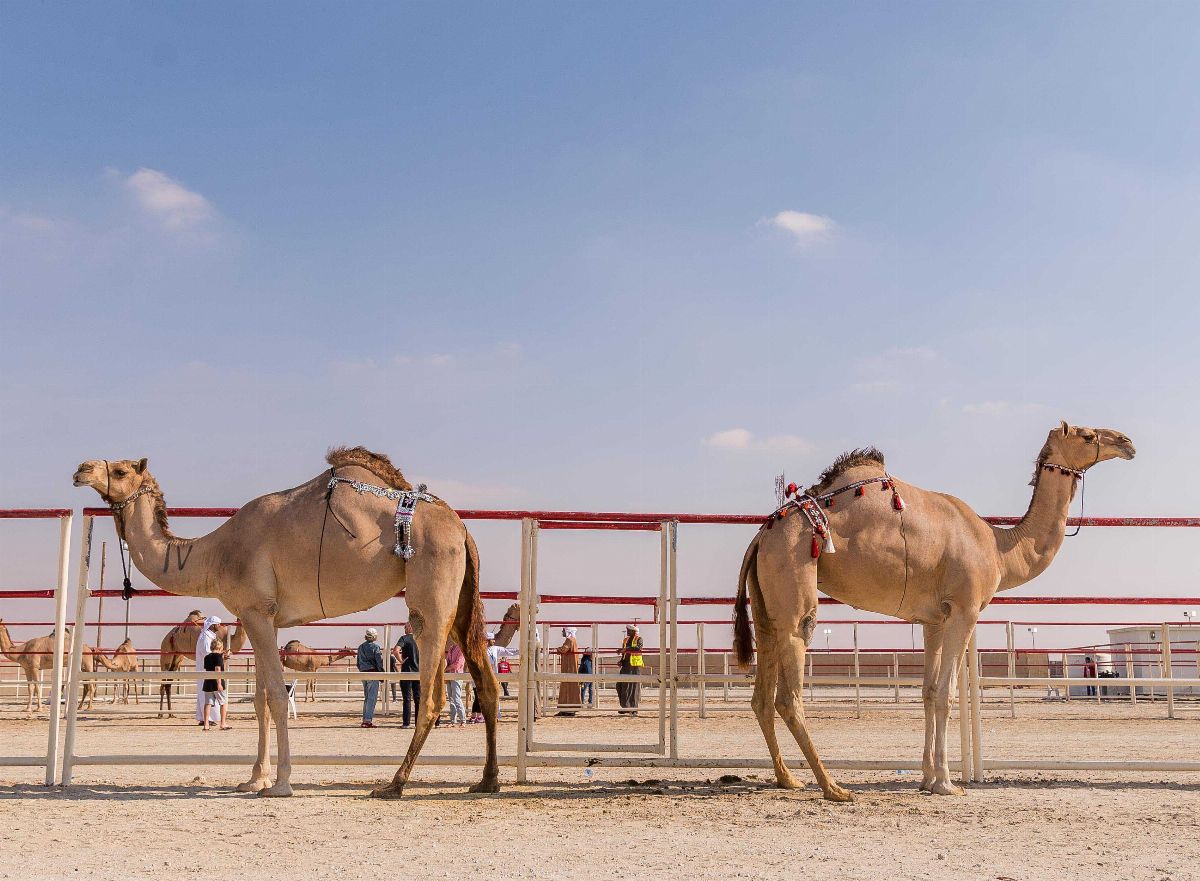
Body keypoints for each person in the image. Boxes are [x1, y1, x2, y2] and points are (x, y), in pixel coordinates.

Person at [472, 632, 519, 723]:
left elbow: (508, 651)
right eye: (492, 639)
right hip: (482, 678)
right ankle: (482, 716)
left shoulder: (495, 649)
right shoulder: (479, 651)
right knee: (482, 697)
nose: (494, 641)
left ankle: (495, 715)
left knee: (494, 696)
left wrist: (520, 650)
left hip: (493, 678)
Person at [194, 615, 222, 727]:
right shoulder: (205, 638)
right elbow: (207, 652)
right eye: (218, 624)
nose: (219, 626)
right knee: (206, 693)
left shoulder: (209, 636)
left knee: (205, 693)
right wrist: (220, 656)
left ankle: (204, 718)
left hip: (207, 668)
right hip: (206, 668)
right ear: (213, 625)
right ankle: (208, 718)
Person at [392, 622, 420, 728]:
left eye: (405, 627)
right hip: (419, 672)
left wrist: (401, 661)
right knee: (418, 699)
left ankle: (406, 723)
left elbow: (395, 651)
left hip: (406, 672)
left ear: (409, 628)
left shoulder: (404, 638)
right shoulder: (420, 639)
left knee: (407, 698)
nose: (404, 629)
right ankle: (418, 723)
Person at [356, 627, 385, 728]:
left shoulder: (360, 647)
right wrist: (382, 674)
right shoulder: (375, 647)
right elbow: (378, 662)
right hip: (373, 673)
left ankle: (365, 719)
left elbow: (358, 663)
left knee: (367, 698)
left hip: (363, 674)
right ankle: (367, 721)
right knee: (372, 698)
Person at [201, 637, 230, 731]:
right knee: (223, 702)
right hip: (217, 682)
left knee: (208, 703)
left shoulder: (207, 657)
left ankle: (206, 724)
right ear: (220, 646)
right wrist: (219, 683)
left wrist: (222, 658)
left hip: (208, 682)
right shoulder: (218, 657)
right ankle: (223, 723)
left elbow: (209, 667)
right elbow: (217, 669)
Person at [617, 624, 643, 715]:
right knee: (620, 686)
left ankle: (633, 708)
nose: (627, 631)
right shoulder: (626, 640)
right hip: (626, 666)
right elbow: (625, 653)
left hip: (635, 666)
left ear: (633, 631)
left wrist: (625, 649)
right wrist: (621, 661)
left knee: (633, 688)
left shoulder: (639, 639)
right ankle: (625, 707)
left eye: (628, 630)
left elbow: (638, 648)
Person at [556, 627, 581, 716]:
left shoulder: (569, 640)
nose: (562, 632)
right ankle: (566, 709)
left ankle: (568, 709)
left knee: (569, 687)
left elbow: (564, 649)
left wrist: (557, 649)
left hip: (569, 667)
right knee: (568, 687)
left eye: (563, 631)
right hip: (569, 667)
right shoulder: (572, 640)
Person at [445, 640, 467, 727]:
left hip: (457, 675)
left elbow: (458, 664)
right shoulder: (451, 648)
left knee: (457, 698)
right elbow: (447, 661)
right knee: (451, 699)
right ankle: (453, 721)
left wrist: (445, 669)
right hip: (450, 675)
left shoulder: (461, 649)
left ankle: (463, 720)